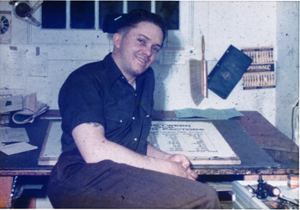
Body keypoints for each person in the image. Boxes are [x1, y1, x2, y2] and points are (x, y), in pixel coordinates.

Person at [47, 9, 220, 209]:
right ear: (118, 40)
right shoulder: (84, 80)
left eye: (155, 48)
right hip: (81, 177)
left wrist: (166, 157)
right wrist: (166, 168)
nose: (148, 52)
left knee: (196, 192)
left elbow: (130, 140)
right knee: (203, 198)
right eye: (141, 41)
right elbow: (94, 150)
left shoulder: (146, 79)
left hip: (120, 174)